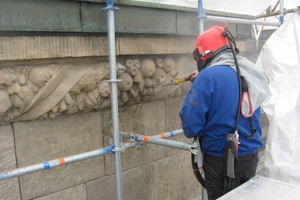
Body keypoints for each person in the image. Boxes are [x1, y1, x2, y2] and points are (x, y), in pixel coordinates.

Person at [180, 22, 269, 200]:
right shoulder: (250, 72)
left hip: (221, 161)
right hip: (250, 157)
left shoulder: (206, 78)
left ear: (204, 55)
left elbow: (191, 127)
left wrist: (201, 85)